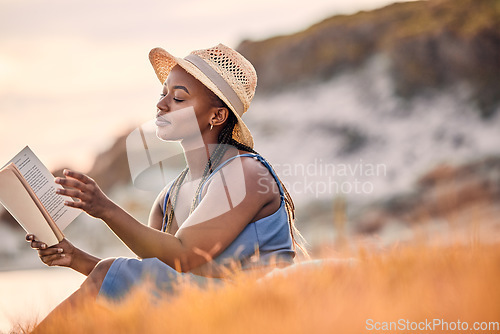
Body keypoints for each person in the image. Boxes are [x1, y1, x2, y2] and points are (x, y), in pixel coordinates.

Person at [26, 43, 307, 330]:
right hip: (211, 311)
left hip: (263, 310)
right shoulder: (169, 196)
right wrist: (75, 257)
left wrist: (105, 209)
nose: (161, 105)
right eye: (163, 94)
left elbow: (184, 255)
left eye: (179, 99)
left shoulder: (244, 172)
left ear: (217, 116)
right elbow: (151, 279)